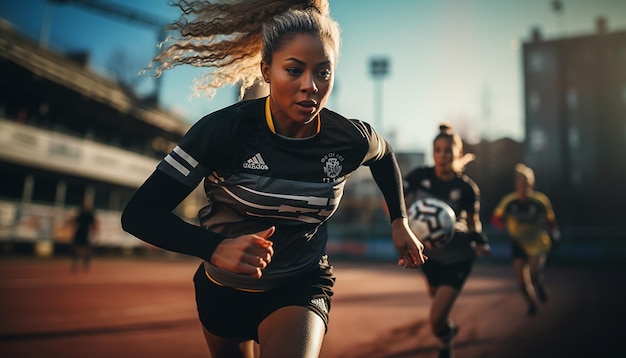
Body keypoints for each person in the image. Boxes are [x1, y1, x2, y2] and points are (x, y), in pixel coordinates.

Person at [121, 1, 427, 357]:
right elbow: (139, 213)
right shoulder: (223, 131)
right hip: (222, 290)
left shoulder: (348, 139)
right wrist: (214, 247)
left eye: (323, 72)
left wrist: (399, 221)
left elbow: (384, 154)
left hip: (300, 284)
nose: (310, 86)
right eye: (294, 70)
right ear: (266, 71)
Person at [403, 123, 491, 358]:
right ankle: (446, 333)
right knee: (437, 305)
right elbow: (393, 200)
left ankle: (445, 337)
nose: (443, 155)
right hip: (429, 258)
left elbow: (474, 222)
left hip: (459, 257)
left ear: (457, 154)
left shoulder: (466, 188)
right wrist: (399, 223)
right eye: (438, 150)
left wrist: (480, 240)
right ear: (433, 153)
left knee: (435, 319)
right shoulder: (420, 176)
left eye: (448, 150)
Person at [491, 163, 560, 317]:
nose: (523, 186)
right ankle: (531, 303)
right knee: (521, 284)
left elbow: (550, 220)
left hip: (537, 242)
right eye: (520, 182)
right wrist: (503, 227)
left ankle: (540, 285)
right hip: (518, 243)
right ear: (516, 184)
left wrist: (555, 233)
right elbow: (495, 218)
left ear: (531, 183)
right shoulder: (509, 201)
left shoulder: (540, 200)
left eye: (526, 182)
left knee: (534, 273)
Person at [69, 197, 98, 272]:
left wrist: (95, 233)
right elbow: (75, 221)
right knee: (76, 249)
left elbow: (94, 224)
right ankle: (74, 265)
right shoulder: (80, 212)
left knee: (87, 250)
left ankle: (86, 265)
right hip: (79, 232)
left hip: (85, 233)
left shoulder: (90, 213)